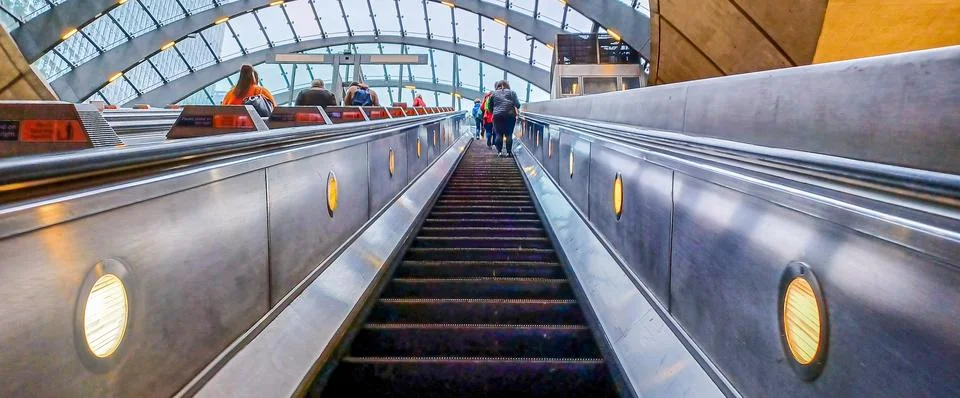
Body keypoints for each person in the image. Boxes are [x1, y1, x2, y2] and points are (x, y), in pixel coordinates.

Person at [486, 80, 521, 157]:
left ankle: (499, 152)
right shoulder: (512, 93)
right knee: (509, 134)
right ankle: (508, 152)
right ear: (508, 85)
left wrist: (494, 111)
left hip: (497, 116)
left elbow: (489, 107)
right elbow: (518, 105)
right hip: (510, 116)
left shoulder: (493, 94)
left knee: (498, 134)